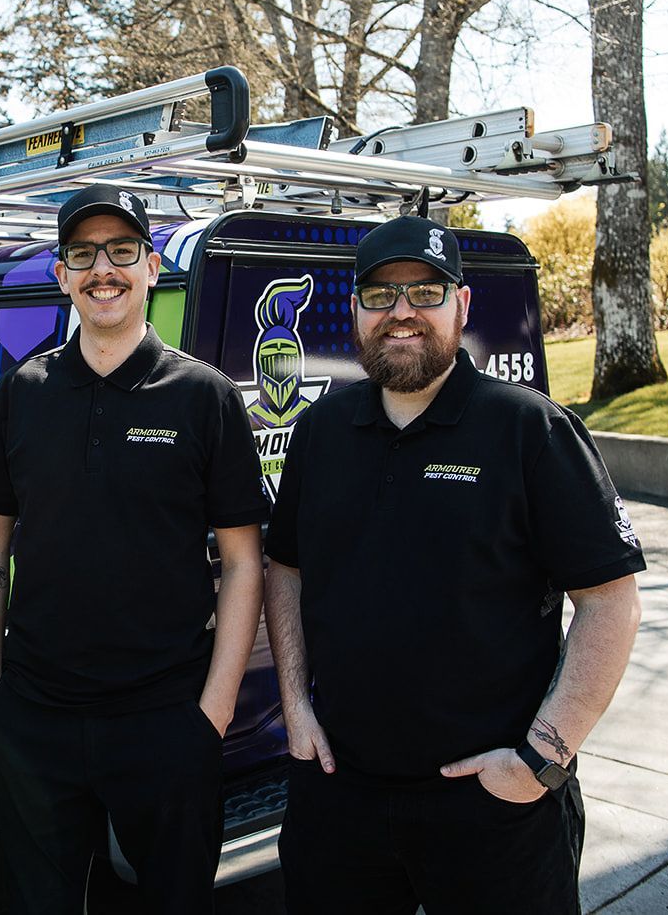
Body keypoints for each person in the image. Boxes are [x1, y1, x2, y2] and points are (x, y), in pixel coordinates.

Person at [264, 215, 645, 914]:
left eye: (425, 291)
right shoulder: (320, 432)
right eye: (380, 294)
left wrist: (540, 759)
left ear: (461, 306)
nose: (401, 311)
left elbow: (610, 600)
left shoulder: (529, 429)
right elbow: (283, 567)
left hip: (491, 806)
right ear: (355, 310)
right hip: (338, 794)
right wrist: (294, 704)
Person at [0, 184, 270, 915]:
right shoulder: (22, 391)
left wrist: (213, 714)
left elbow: (243, 562)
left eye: (122, 251)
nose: (104, 268)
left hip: (168, 717)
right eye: (83, 253)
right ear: (61, 273)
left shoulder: (206, 395)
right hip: (37, 713)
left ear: (152, 265)